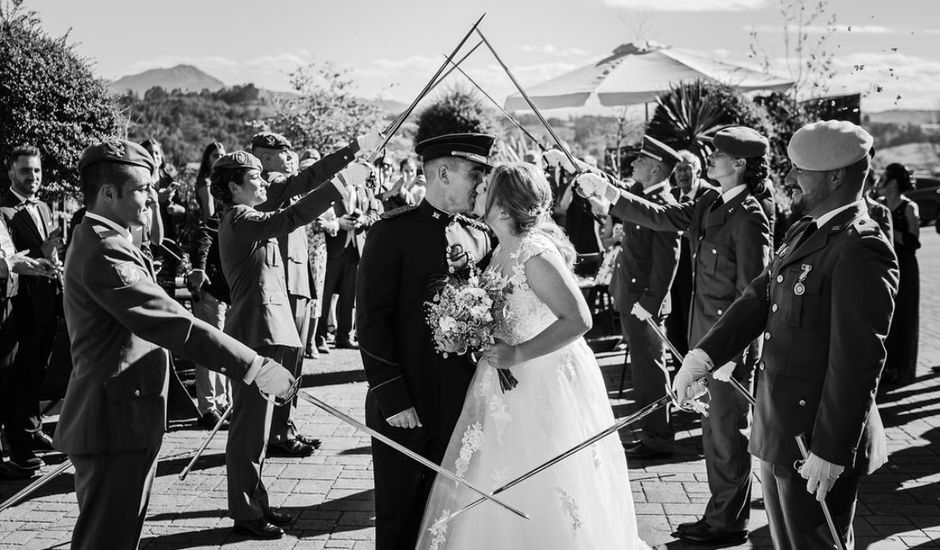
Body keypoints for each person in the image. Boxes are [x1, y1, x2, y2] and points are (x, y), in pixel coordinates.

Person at [55, 139, 296, 550]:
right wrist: (253, 366)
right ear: (108, 193)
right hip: (114, 422)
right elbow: (173, 323)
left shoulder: (106, 236)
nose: (153, 197)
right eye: (142, 189)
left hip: (127, 413)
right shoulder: (104, 249)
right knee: (106, 538)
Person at [673, 120, 898, 549]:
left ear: (836, 176)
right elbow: (759, 297)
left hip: (815, 438)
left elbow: (858, 360)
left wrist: (831, 450)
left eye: (800, 170)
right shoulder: (805, 230)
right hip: (780, 429)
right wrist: (703, 356)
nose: (789, 180)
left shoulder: (861, 246)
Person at [415, 162, 648, 549]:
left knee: (544, 481)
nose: (477, 189)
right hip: (504, 383)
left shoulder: (533, 254)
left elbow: (578, 319)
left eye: (486, 186)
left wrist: (518, 352)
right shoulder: (500, 251)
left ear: (504, 206)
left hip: (543, 382)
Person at [577, 127, 773, 544]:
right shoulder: (710, 201)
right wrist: (611, 194)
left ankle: (727, 522)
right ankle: (720, 513)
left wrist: (737, 355)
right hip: (705, 339)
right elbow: (663, 218)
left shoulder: (750, 215)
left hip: (728, 347)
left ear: (738, 164)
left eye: (718, 153)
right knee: (713, 432)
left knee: (727, 432)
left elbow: (754, 294)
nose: (710, 158)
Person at [210, 150, 366, 538]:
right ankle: (246, 512)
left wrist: (349, 155)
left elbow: (300, 184)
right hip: (255, 331)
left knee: (259, 429)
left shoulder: (247, 214)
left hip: (268, 329)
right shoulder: (241, 217)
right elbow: (290, 217)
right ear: (233, 186)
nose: (264, 182)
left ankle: (256, 502)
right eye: (255, 177)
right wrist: (343, 184)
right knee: (249, 429)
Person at [357, 133, 495, 550]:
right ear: (442, 172)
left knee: (454, 514)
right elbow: (371, 320)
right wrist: (391, 396)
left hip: (462, 399)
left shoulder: (480, 235)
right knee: (402, 515)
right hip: (407, 404)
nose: (480, 185)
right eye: (475, 174)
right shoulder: (391, 233)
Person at [250, 130, 381, 457]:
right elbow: (311, 181)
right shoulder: (267, 183)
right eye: (284, 150)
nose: (290, 155)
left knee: (293, 363)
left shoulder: (278, 181)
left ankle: (284, 426)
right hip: (281, 284)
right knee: (279, 363)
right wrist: (351, 152)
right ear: (266, 155)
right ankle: (274, 431)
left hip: (298, 280)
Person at [553, 136, 682, 459]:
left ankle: (658, 436)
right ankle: (652, 431)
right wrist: (573, 163)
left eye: (640, 160)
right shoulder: (641, 194)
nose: (634, 163)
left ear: (654, 169)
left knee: (650, 369)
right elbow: (609, 184)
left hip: (644, 303)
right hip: (633, 297)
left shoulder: (662, 203)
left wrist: (650, 304)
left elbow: (668, 260)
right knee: (643, 369)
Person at [0, 145, 63, 470]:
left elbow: (46, 247)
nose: (33, 177)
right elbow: (11, 258)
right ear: (11, 172)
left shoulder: (44, 206)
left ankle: (34, 425)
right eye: (26, 171)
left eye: (37, 171)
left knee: (40, 368)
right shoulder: (4, 210)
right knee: (19, 375)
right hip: (19, 304)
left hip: (48, 299)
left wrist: (54, 257)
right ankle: (19, 438)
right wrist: (40, 254)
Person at [187, 141, 232, 429]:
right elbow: (204, 233)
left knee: (226, 345)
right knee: (210, 346)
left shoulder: (234, 209)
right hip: (212, 285)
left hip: (229, 289)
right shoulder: (216, 210)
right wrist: (199, 268)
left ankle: (225, 401)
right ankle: (207, 407)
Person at [314, 175, 383, 350]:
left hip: (355, 248)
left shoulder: (364, 188)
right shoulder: (330, 186)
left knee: (349, 295)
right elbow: (319, 215)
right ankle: (319, 337)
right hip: (333, 246)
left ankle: (344, 336)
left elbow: (374, 213)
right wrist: (339, 223)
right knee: (325, 293)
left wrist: (362, 220)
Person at [666, 150, 717, 356]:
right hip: (673, 272)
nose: (681, 174)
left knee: (694, 325)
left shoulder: (710, 194)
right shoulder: (671, 196)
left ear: (698, 171)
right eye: (678, 169)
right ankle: (678, 371)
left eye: (686, 169)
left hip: (699, 272)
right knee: (674, 325)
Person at [875, 162, 920, 386]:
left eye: (883, 179)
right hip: (886, 264)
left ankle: (900, 367)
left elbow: (914, 241)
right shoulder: (879, 206)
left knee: (904, 314)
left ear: (893, 183)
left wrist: (890, 230)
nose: (879, 183)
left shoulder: (909, 207)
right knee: (884, 313)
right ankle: (883, 365)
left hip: (906, 265)